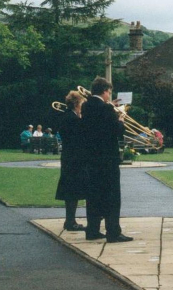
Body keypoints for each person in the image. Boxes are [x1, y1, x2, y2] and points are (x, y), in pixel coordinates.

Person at [81, 76, 132, 243]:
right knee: (112, 196)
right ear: (104, 91)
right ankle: (113, 232)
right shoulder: (106, 109)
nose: (109, 96)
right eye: (109, 93)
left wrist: (111, 107)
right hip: (107, 158)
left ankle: (93, 230)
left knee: (93, 195)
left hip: (91, 157)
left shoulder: (86, 106)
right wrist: (121, 119)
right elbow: (116, 131)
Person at [55, 91, 88, 231]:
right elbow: (82, 136)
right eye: (81, 104)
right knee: (72, 191)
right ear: (76, 104)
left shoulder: (67, 116)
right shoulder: (72, 118)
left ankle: (70, 220)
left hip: (69, 157)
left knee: (71, 191)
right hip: (74, 159)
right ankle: (70, 221)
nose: (82, 106)